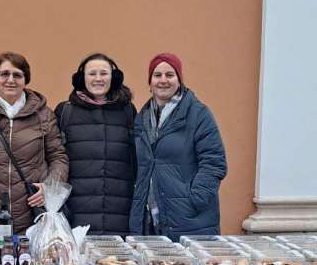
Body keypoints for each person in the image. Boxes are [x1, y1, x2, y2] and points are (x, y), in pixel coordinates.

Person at [0, 51, 68, 235]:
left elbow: (58, 157)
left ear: (25, 80)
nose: (11, 80)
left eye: (17, 75)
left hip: (31, 214)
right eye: (4, 74)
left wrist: (50, 187)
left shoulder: (43, 115)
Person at [129, 52, 227, 241]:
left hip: (189, 218)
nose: (163, 80)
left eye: (170, 75)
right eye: (157, 75)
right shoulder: (142, 118)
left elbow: (214, 162)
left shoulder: (198, 114)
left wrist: (194, 199)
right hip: (150, 219)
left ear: (179, 80)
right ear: (150, 82)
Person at [54, 53, 136, 235]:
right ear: (82, 78)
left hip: (120, 211)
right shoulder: (65, 111)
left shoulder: (127, 111)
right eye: (92, 74)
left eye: (104, 73)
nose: (98, 79)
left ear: (113, 78)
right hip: (76, 213)